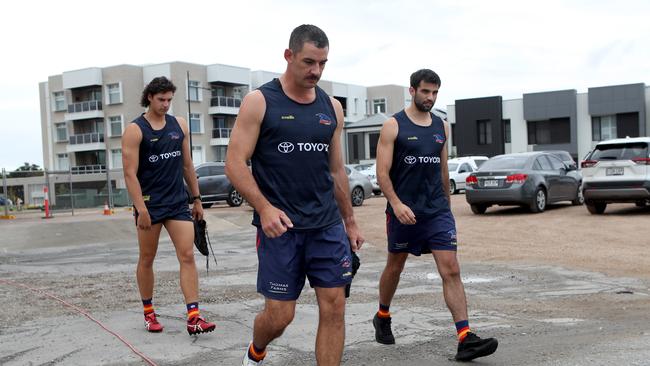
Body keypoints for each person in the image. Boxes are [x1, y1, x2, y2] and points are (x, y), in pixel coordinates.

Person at [226, 24, 364, 366]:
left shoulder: (331, 108)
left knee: (334, 305)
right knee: (280, 317)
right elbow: (234, 164)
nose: (315, 71)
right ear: (288, 56)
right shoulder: (260, 102)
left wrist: (349, 221)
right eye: (308, 62)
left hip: (326, 225)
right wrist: (264, 208)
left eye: (322, 63)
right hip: (280, 229)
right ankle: (256, 351)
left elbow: (336, 170)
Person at [372, 69, 498, 361]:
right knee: (395, 267)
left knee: (451, 268)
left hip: (436, 211)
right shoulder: (393, 125)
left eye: (435, 92)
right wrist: (396, 203)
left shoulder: (441, 126)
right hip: (403, 212)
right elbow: (381, 173)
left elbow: (443, 168)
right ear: (412, 90)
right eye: (425, 91)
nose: (430, 97)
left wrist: (448, 207)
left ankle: (465, 338)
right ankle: (382, 314)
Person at [122, 76, 215, 336]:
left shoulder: (179, 125)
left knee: (187, 256)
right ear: (149, 97)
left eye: (169, 100)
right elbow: (129, 174)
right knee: (147, 258)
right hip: (150, 206)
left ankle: (194, 317)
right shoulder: (135, 130)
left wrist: (196, 199)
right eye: (161, 99)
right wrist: (140, 208)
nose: (165, 104)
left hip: (177, 203)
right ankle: (149, 313)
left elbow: (187, 165)